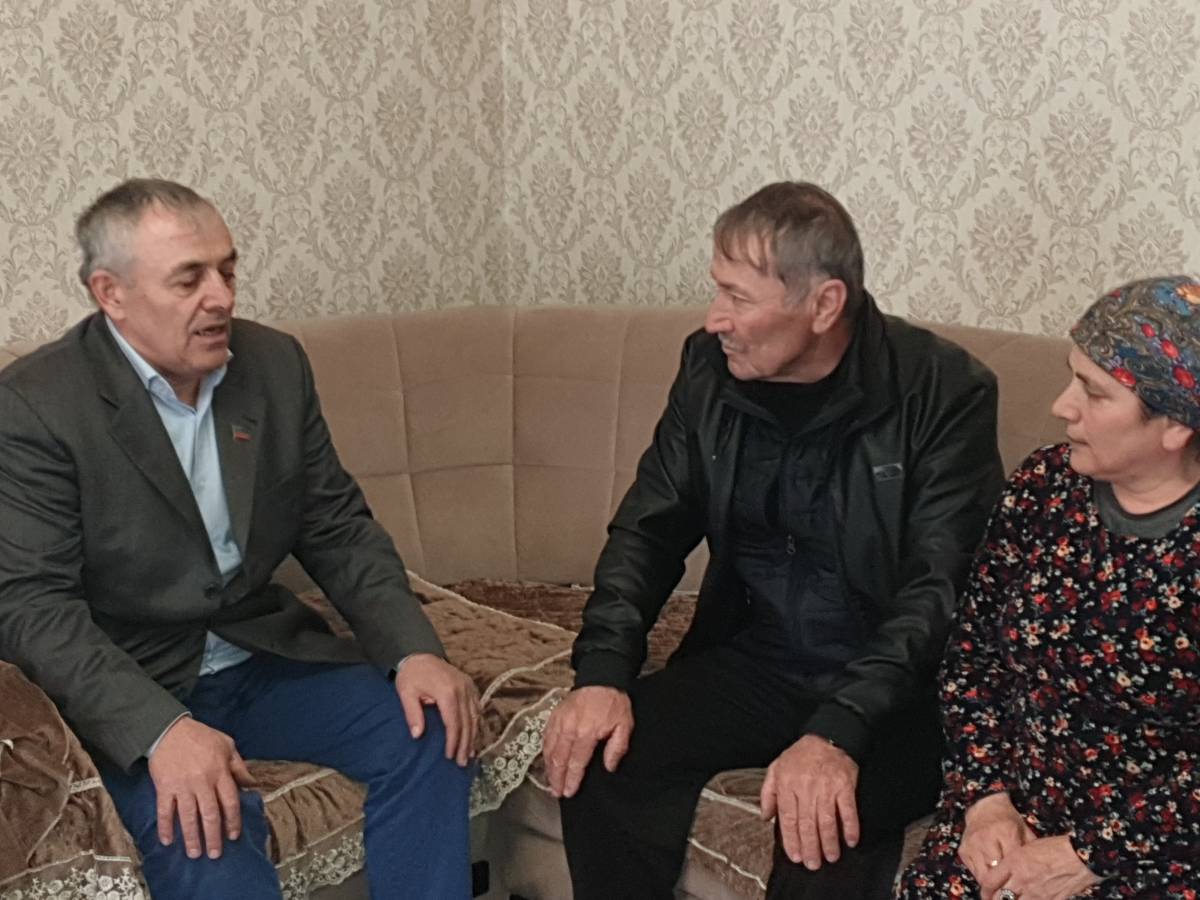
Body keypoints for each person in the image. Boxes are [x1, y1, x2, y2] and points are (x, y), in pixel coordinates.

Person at [0, 179, 480, 899]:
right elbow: (33, 607)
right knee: (205, 835)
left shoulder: (274, 364)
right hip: (132, 680)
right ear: (111, 293)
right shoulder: (36, 406)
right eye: (189, 279)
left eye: (228, 270)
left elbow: (337, 526)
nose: (221, 297)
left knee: (435, 729)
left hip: (261, 655)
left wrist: (414, 650)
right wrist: (160, 731)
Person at [542, 181, 1005, 898]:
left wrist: (838, 730)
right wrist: (602, 671)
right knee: (606, 759)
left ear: (824, 305)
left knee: (820, 833)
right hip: (760, 659)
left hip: (902, 694)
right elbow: (649, 528)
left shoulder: (943, 390)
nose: (715, 318)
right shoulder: (707, 368)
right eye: (716, 290)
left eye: (738, 296)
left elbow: (938, 589)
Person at [896, 275, 1200, 900]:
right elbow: (972, 656)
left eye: (1094, 392)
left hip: (1159, 849)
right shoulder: (1045, 486)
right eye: (1070, 378)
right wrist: (983, 798)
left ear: (1175, 425)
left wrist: (1092, 853)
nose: (1063, 406)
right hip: (1012, 817)